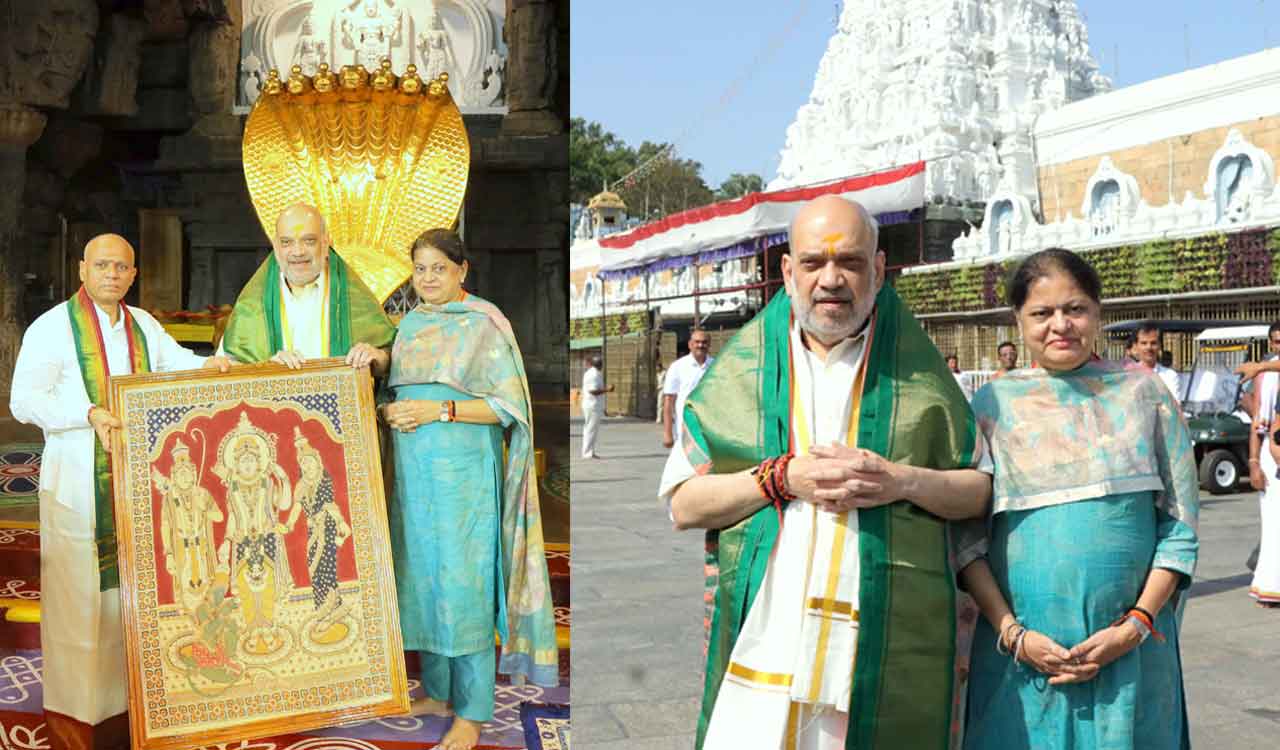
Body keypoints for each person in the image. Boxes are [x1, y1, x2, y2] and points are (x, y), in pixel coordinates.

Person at [663, 196, 992, 750]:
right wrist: (782, 478)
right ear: (788, 271)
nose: (832, 280)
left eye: (852, 263)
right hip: (769, 647)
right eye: (814, 263)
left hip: (885, 649)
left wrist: (901, 481)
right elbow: (683, 506)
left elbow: (979, 493)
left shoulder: (924, 380)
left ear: (880, 271)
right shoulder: (741, 375)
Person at [957, 248, 1199, 749]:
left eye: (1076, 309)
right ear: (1018, 321)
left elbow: (1180, 526)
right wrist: (1015, 636)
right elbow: (966, 542)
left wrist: (1135, 626)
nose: (1060, 325)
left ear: (1098, 313)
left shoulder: (1145, 394)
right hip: (1020, 661)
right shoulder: (991, 405)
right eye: (1041, 313)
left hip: (1132, 654)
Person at [9, 234, 232, 749]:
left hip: (133, 486)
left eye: (122, 267)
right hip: (76, 485)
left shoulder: (142, 326)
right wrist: (85, 414)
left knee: (125, 600)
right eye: (102, 264)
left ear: (134, 275)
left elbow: (175, 362)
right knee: (77, 603)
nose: (112, 273)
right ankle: (75, 720)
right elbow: (24, 401)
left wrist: (212, 366)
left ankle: (125, 708)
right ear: (82, 268)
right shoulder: (52, 329)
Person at [379, 229, 558, 750]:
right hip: (414, 477)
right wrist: (392, 408)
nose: (429, 278)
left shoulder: (484, 323)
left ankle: (473, 712)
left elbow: (508, 408)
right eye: (420, 269)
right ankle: (437, 692)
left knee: (464, 585)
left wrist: (440, 410)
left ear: (462, 270)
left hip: (463, 478)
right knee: (423, 579)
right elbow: (399, 391)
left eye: (439, 268)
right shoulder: (411, 324)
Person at [218, 202, 396, 370]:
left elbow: (389, 359)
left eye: (309, 241)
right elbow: (225, 368)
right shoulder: (252, 304)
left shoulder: (354, 296)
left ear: (326, 244)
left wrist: (378, 357)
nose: (298, 252)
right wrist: (265, 369)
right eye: (287, 242)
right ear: (276, 247)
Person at [1246, 321, 1280, 605]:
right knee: (1274, 524)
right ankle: (1270, 586)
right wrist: (1254, 462)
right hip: (1274, 452)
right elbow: (1258, 422)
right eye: (1277, 342)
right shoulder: (1266, 377)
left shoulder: (1267, 370)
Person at [662, 329, 714, 449]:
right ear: (690, 344)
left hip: (709, 430)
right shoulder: (678, 367)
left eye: (704, 342)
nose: (700, 345)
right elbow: (668, 402)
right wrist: (667, 433)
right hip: (685, 430)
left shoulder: (715, 366)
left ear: (709, 344)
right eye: (697, 342)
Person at [1131, 321, 1181, 400]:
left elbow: (1173, 408)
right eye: (1144, 343)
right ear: (1135, 346)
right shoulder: (1127, 375)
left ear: (1159, 345)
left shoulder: (1170, 376)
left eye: (1153, 343)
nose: (1149, 347)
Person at [580, 355, 613, 459]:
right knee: (590, 429)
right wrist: (607, 390)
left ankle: (589, 451)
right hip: (592, 405)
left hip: (592, 405)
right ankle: (587, 453)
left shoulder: (593, 373)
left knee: (590, 429)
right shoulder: (594, 374)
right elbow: (592, 391)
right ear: (599, 364)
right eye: (601, 363)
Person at [655, 356, 667, 423]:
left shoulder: (664, 373)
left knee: (666, 404)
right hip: (659, 390)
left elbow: (667, 381)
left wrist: (661, 386)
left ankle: (668, 418)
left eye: (657, 367)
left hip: (664, 390)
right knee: (659, 404)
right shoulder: (657, 374)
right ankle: (659, 418)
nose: (657, 368)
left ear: (660, 367)